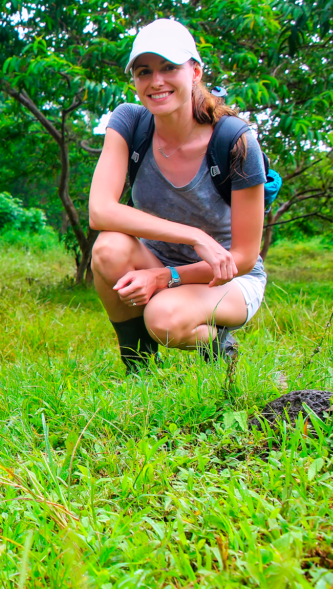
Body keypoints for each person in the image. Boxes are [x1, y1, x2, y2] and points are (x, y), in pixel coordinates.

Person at [88, 18, 267, 373]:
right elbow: (100, 211)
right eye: (143, 72)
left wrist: (165, 278)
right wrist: (194, 236)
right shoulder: (129, 123)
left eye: (169, 67)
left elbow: (243, 258)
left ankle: (218, 347)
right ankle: (139, 367)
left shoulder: (234, 140)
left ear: (195, 71)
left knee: (163, 318)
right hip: (159, 259)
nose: (156, 82)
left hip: (228, 279)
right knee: (107, 248)